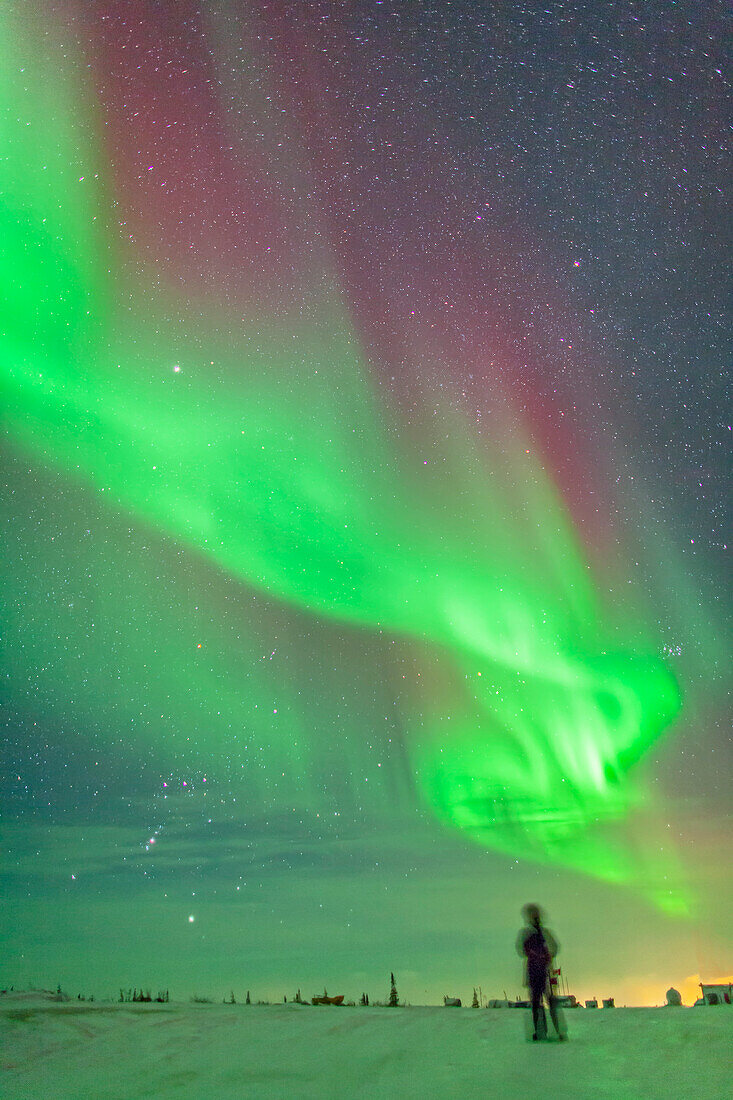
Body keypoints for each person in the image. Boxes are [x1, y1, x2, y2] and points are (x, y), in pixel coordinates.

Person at [516, 903, 565, 1041]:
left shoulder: (543, 933)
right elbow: (521, 950)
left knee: (549, 1001)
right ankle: (540, 1031)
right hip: (534, 972)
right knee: (537, 1003)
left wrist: (544, 956)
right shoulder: (527, 933)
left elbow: (554, 948)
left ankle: (557, 1031)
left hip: (544, 972)